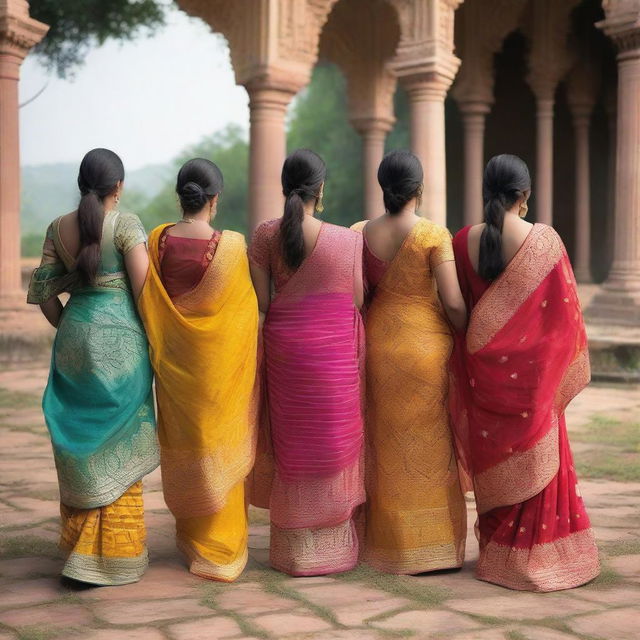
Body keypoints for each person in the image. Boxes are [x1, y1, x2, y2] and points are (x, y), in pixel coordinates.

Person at [450, 153, 600, 591]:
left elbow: (461, 312)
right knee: (540, 454)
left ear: (486, 193)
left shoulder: (462, 242)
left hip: (485, 376)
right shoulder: (544, 242)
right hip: (533, 381)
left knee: (495, 456)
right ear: (525, 196)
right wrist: (547, 368)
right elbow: (565, 321)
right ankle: (540, 557)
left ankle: (497, 556)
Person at [27, 148, 158, 585]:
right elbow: (144, 293)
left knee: (82, 438)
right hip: (121, 341)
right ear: (117, 187)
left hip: (75, 337)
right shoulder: (126, 224)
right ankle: (111, 555)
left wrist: (67, 326)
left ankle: (77, 549)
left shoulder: (57, 228)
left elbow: (44, 292)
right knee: (117, 436)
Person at [137, 158, 258, 582]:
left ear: (180, 196)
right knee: (218, 440)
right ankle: (220, 543)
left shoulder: (157, 240)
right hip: (219, 368)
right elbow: (246, 312)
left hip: (174, 364)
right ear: (215, 199)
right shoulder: (232, 247)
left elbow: (147, 299)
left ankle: (192, 535)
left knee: (188, 443)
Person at [248, 149, 365, 576]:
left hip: (286, 353)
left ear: (285, 188)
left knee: (293, 445)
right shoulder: (349, 240)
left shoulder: (265, 234)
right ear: (321, 190)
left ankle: (294, 550)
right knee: (332, 443)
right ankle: (331, 547)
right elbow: (356, 299)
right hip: (333, 355)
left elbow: (262, 300)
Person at [351, 149, 468, 574]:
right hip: (425, 350)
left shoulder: (358, 233)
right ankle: (433, 546)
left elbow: (357, 298)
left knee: (383, 443)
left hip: (378, 346)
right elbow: (453, 303)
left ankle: (387, 543)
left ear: (383, 187)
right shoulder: (435, 235)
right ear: (419, 189)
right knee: (431, 444)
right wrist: (470, 331)